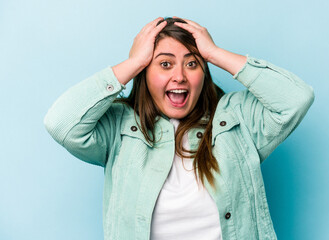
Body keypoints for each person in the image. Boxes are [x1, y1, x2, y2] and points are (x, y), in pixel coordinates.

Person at [44, 17, 314, 240]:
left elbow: (296, 99)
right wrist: (133, 62)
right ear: (145, 73)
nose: (180, 76)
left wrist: (216, 53)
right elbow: (61, 123)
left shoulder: (237, 118)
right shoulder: (119, 126)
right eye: (165, 63)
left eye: (192, 63)